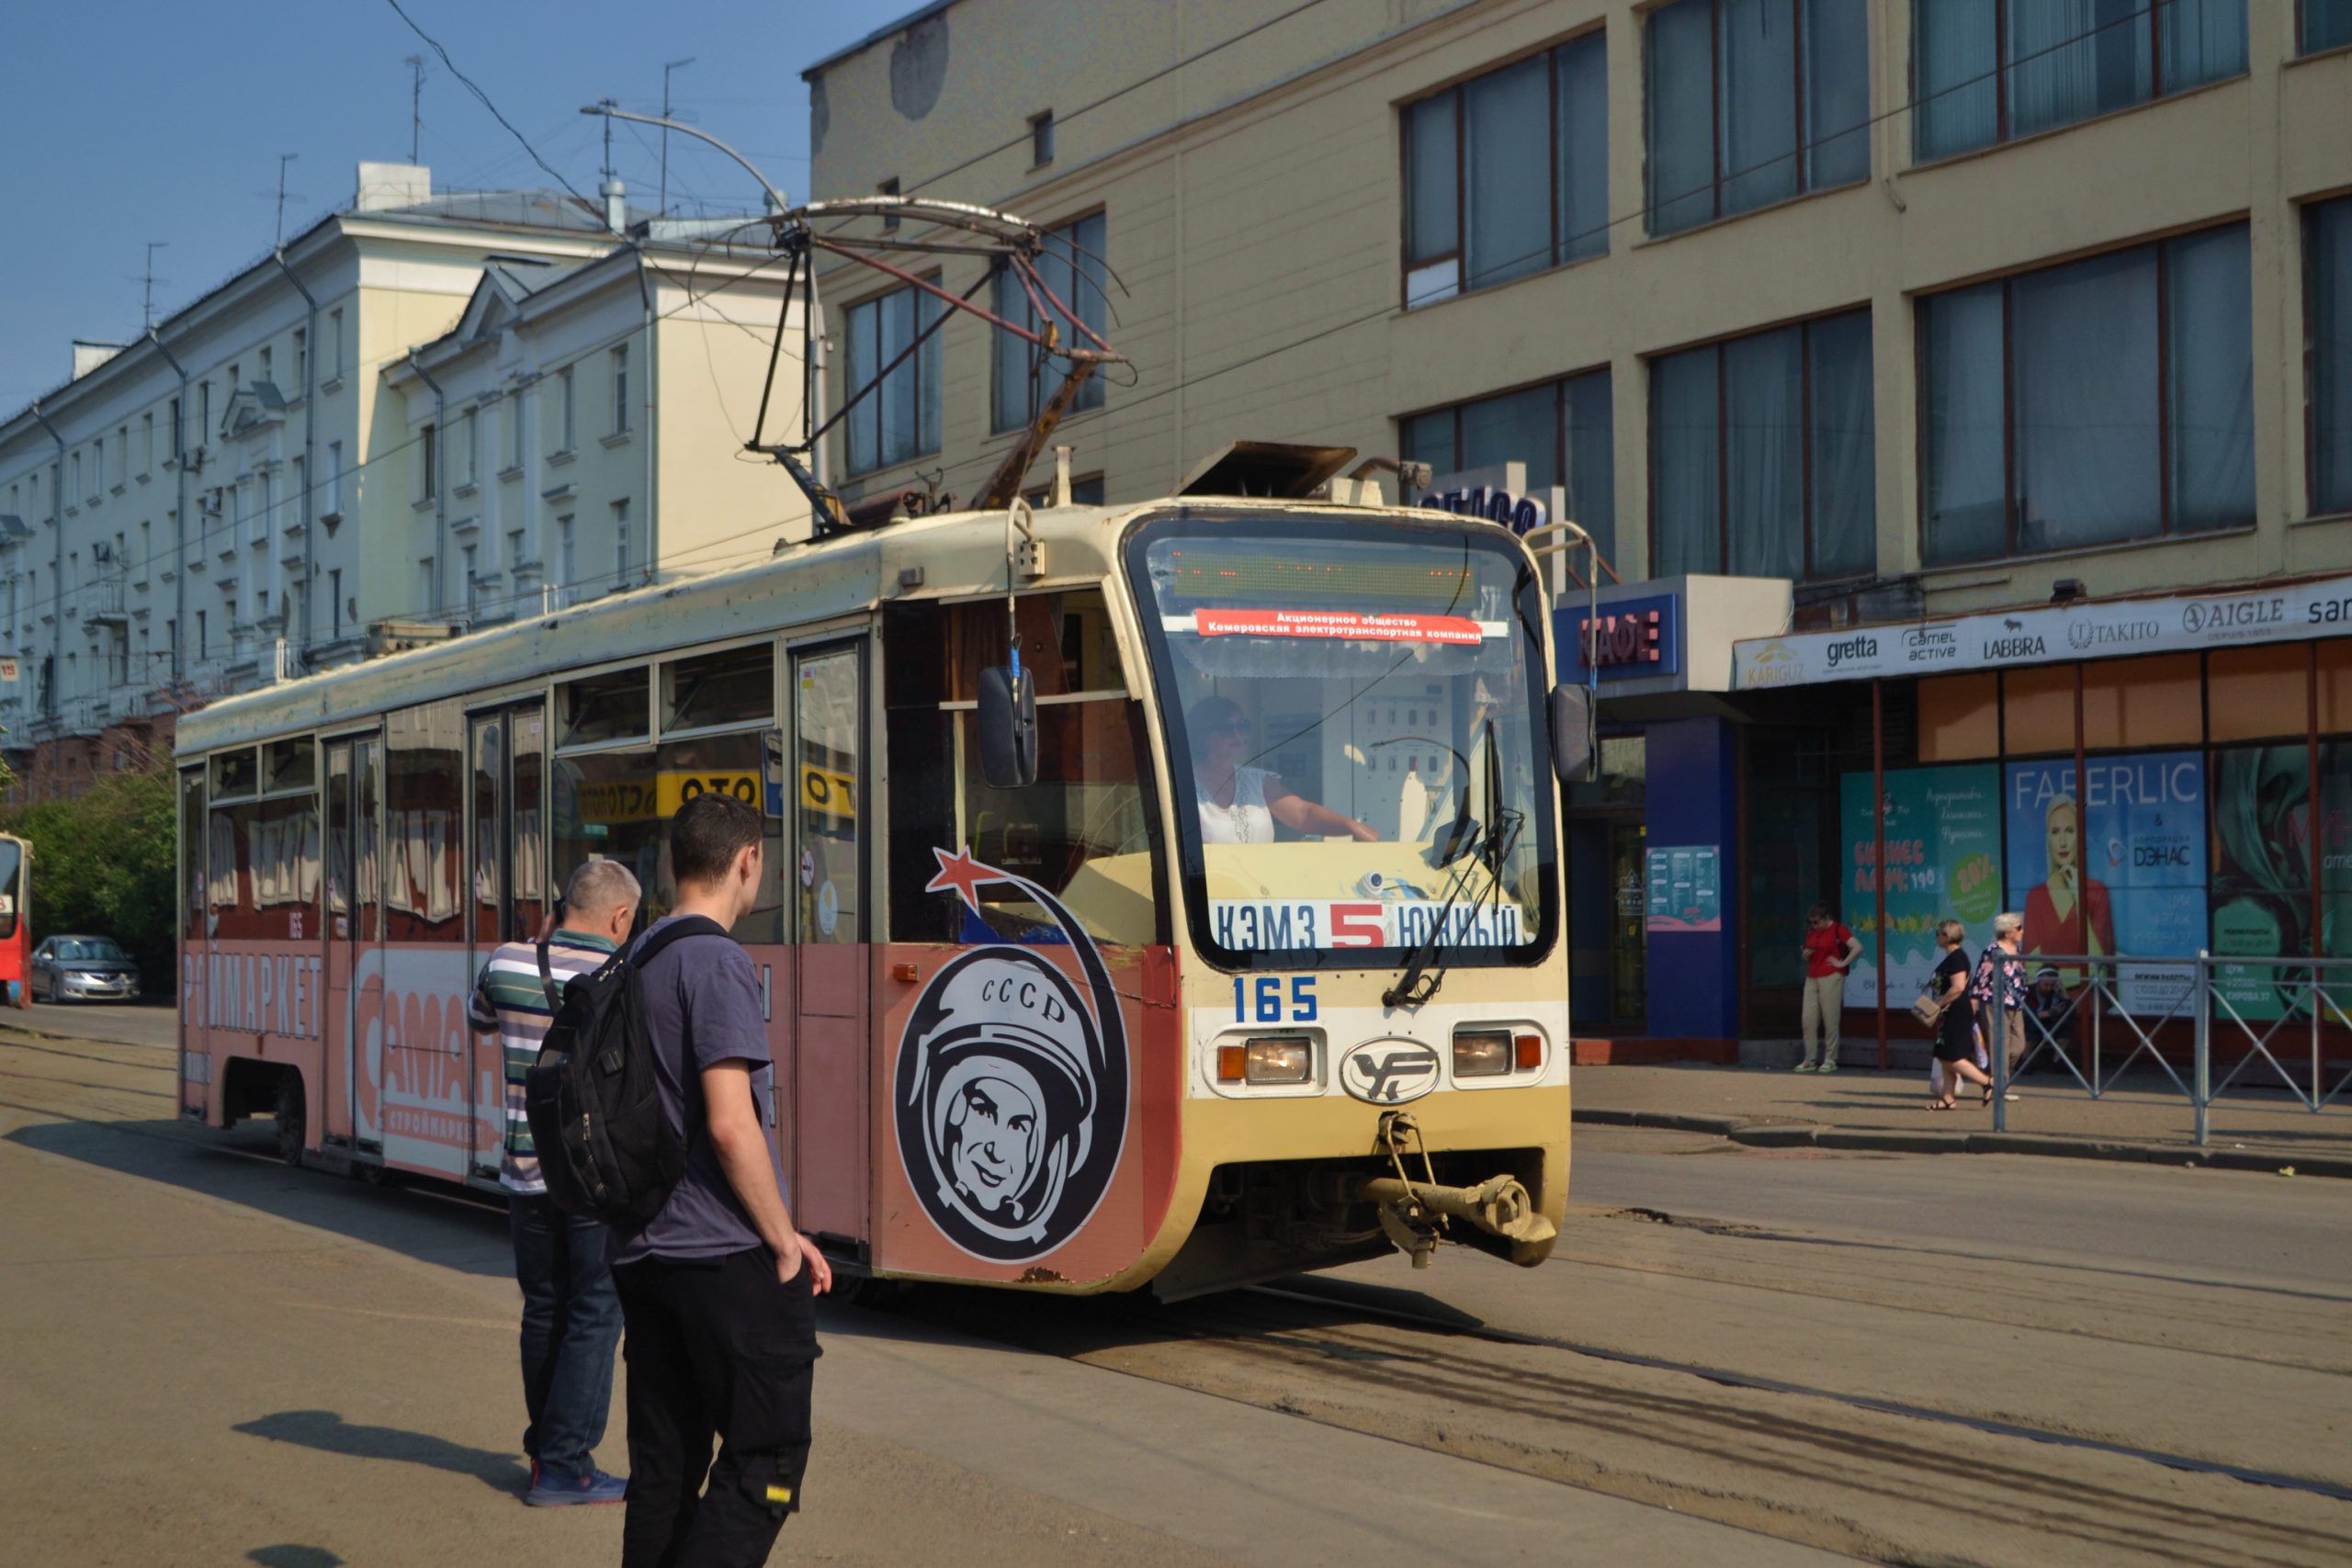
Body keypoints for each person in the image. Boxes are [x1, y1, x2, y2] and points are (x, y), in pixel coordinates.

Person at [609, 791, 831, 1568]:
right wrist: (785, 1240)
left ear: (672, 864)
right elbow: (733, 1125)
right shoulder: (717, 962)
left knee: (664, 1471)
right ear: (749, 861)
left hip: (641, 1253)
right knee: (765, 1463)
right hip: (720, 1258)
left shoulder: (631, 958)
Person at [467, 858, 641, 1506]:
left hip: (523, 1170)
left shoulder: (508, 961)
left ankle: (546, 1452)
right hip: (593, 1177)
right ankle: (567, 1464)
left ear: (566, 904)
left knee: (545, 1306)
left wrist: (536, 944)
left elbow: (478, 1018)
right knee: (596, 1311)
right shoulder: (625, 975)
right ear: (620, 916)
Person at [1188, 695, 1377, 844]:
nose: (1237, 734)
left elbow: (1304, 813)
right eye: (1227, 728)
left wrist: (1349, 825)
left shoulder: (1257, 780)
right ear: (1203, 735)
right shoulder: (1180, 785)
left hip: (1262, 887)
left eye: (1242, 726)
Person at [2021, 795, 2114, 966]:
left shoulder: (2098, 892)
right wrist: (2079, 974)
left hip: (2087, 993)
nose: (2063, 842)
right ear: (2048, 838)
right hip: (2049, 994)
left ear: (2080, 836)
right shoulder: (2036, 897)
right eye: (2055, 832)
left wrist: (2077, 893)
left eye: (2070, 831)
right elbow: (2031, 972)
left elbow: (2099, 966)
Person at [1926, 919, 1994, 1110]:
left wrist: (1938, 1004)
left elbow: (1957, 987)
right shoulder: (1953, 957)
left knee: (1953, 1056)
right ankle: (1948, 1098)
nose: (1936, 937)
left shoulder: (1957, 958)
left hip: (1956, 1012)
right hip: (1948, 1013)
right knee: (1944, 1055)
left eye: (1938, 933)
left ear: (1947, 936)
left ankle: (1987, 1082)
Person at [1795, 902, 1861, 1074]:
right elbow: (1808, 953)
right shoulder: (1812, 932)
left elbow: (1857, 947)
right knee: (1808, 1019)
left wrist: (1842, 963)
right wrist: (1805, 954)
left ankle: (1830, 1058)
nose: (1814, 926)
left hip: (1831, 976)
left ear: (1827, 919)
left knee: (1830, 1018)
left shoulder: (1838, 930)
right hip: (1812, 976)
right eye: (1811, 923)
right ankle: (1809, 1059)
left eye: (1817, 922)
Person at [1972, 911, 2030, 1102]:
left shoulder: (2017, 949)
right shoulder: (1993, 951)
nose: (2022, 931)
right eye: (2018, 928)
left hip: (2016, 1002)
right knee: (1999, 1044)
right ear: (2007, 932)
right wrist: (1973, 1000)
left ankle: (1994, 1079)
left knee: (2018, 1045)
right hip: (1994, 1002)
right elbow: (1981, 976)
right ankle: (1999, 1087)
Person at [2024, 964, 2076, 1072]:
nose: (2049, 988)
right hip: (2032, 1024)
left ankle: (2056, 1061)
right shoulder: (2030, 992)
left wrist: (2065, 994)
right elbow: (2027, 1013)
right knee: (2031, 1028)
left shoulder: (2057, 993)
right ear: (2038, 981)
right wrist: (2048, 1013)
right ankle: (2025, 1061)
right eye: (2045, 985)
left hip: (2050, 1024)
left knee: (2067, 1027)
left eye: (2052, 985)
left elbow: (2070, 1012)